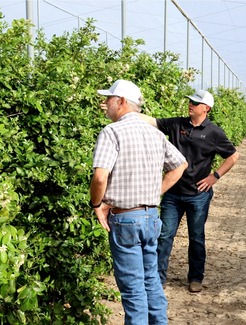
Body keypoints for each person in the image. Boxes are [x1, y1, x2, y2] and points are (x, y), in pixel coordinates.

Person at [90, 79, 188, 324]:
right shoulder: (154, 134)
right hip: (151, 217)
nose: (105, 105)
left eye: (109, 100)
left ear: (122, 102)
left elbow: (100, 176)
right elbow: (180, 165)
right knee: (151, 281)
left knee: (133, 289)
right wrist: (157, 193)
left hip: (124, 220)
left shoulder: (112, 132)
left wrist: (96, 205)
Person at [140, 89, 239, 293]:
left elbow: (233, 156)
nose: (191, 104)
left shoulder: (214, 132)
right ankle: (158, 278)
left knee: (196, 237)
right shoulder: (177, 124)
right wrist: (126, 109)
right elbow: (152, 121)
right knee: (165, 235)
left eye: (195, 102)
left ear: (206, 108)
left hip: (198, 195)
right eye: (190, 101)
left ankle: (195, 277)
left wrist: (215, 176)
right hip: (173, 193)